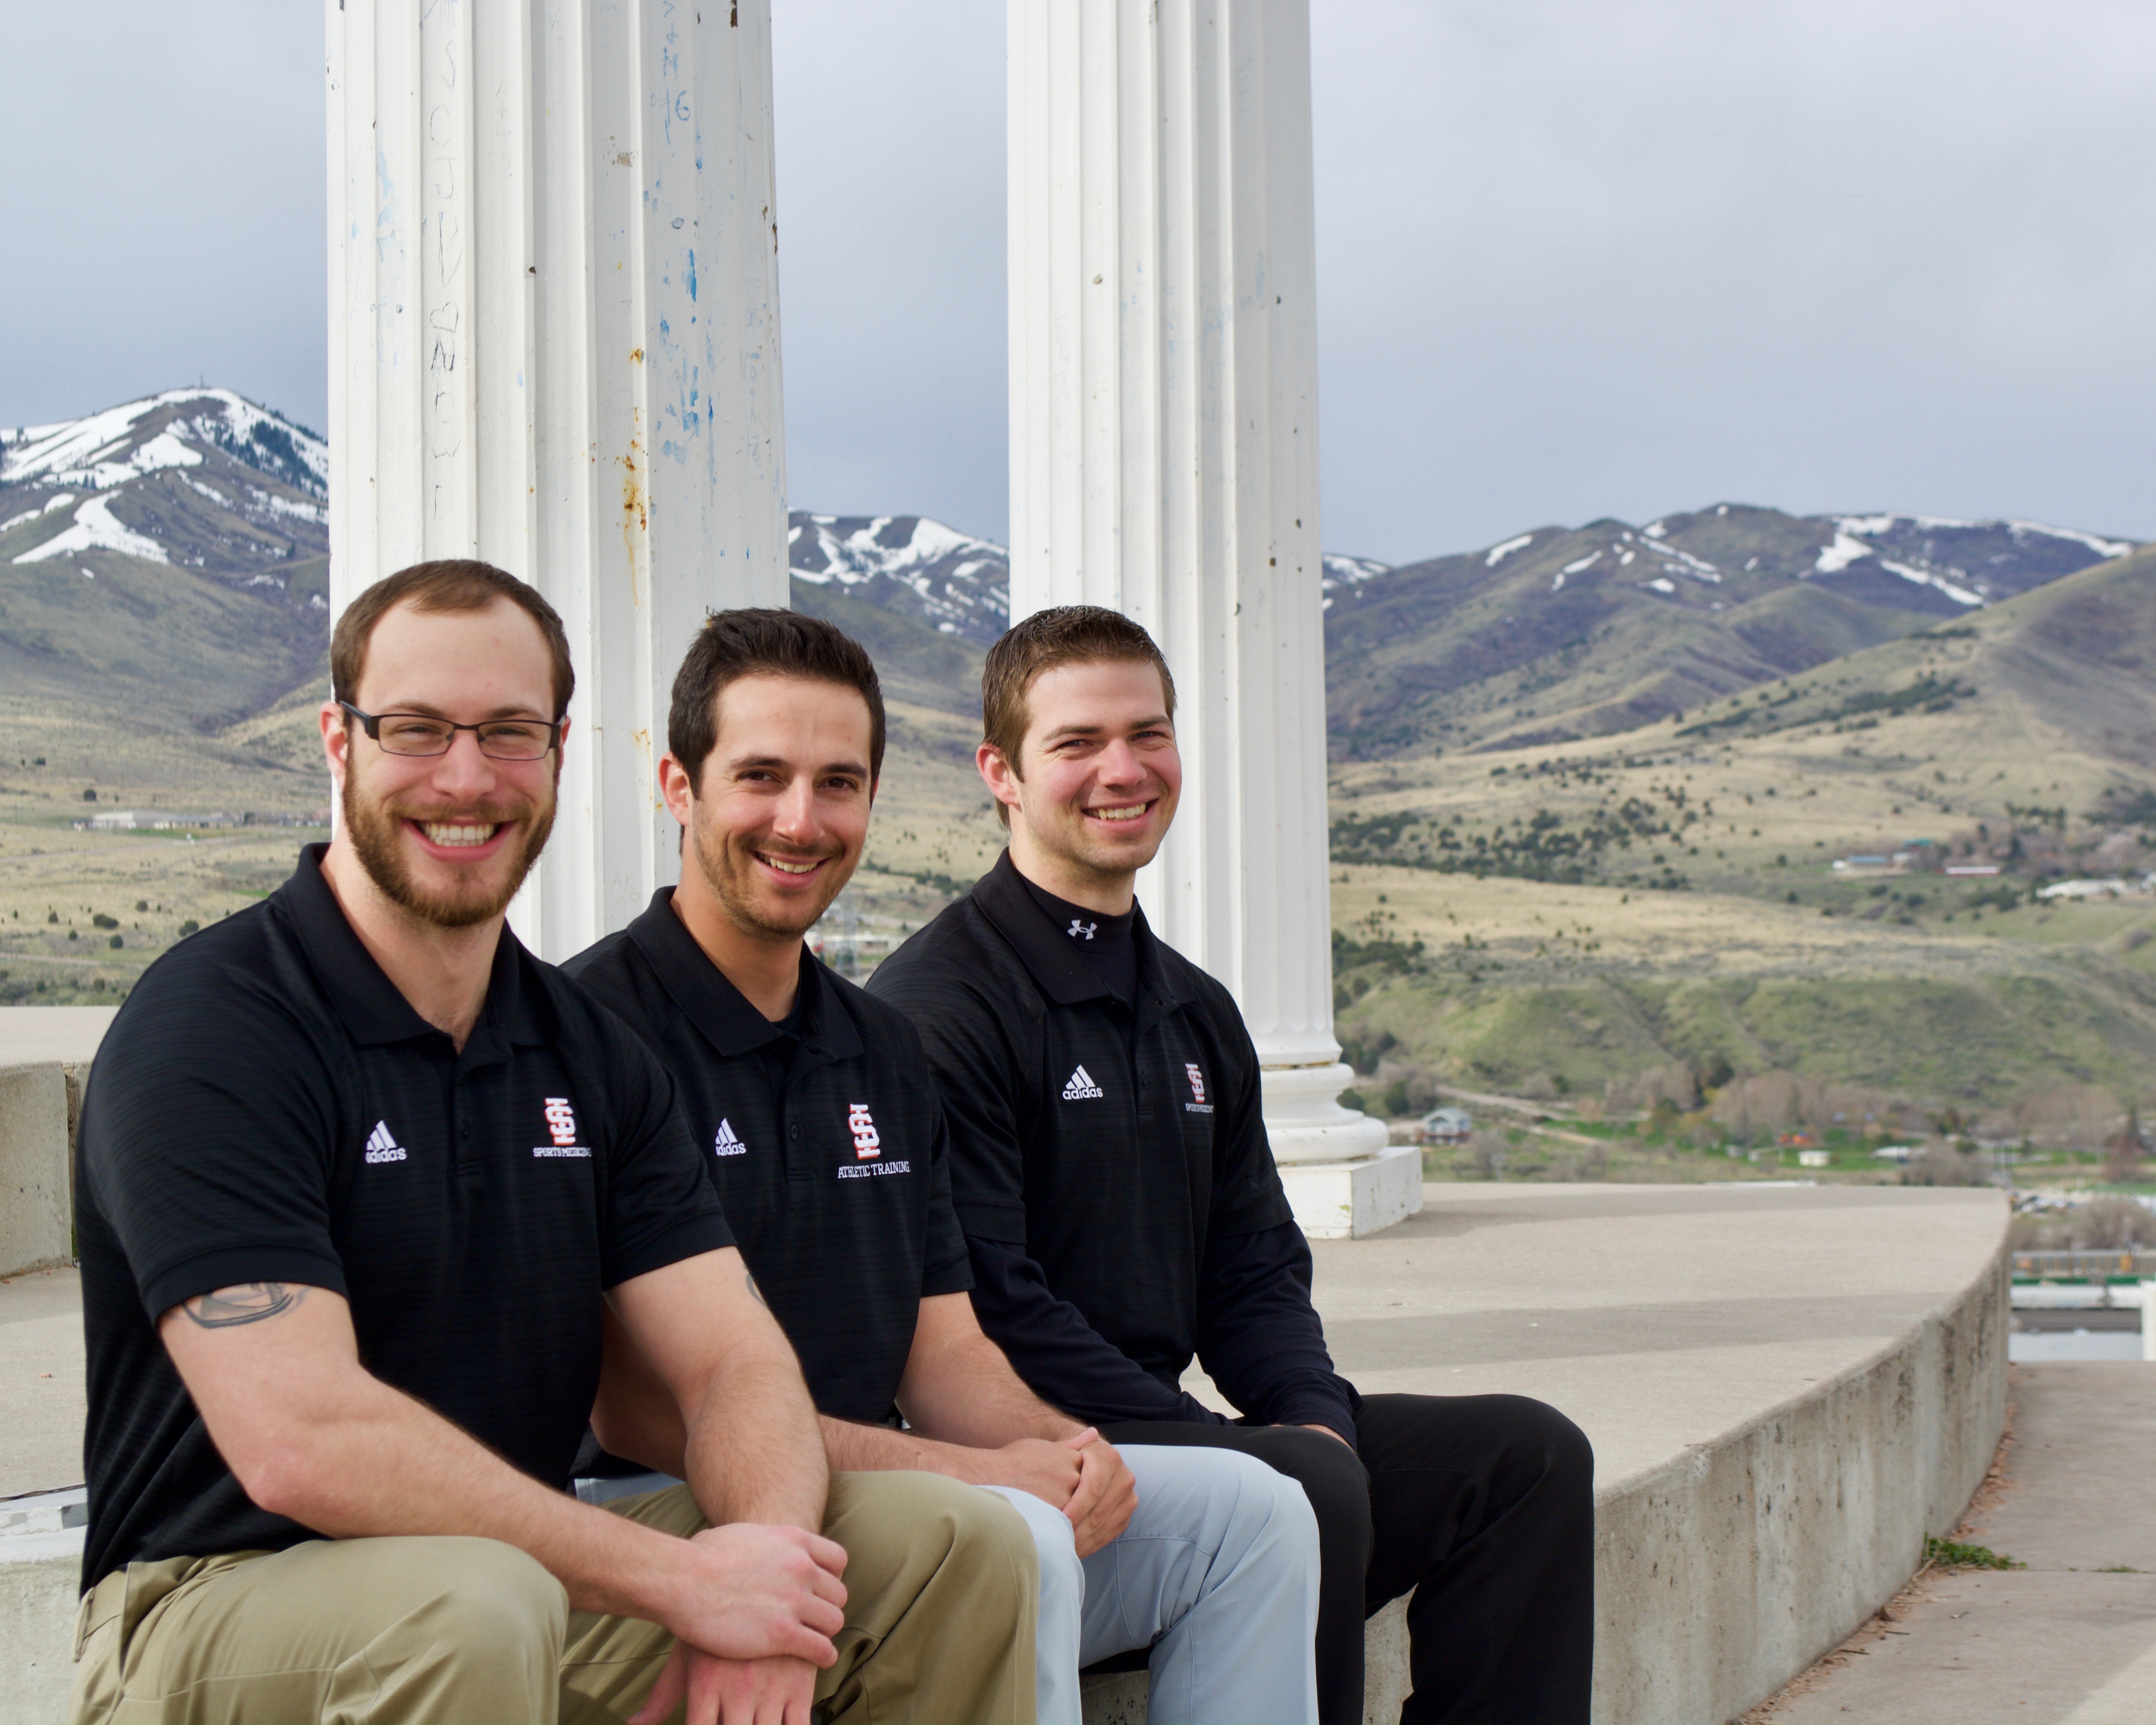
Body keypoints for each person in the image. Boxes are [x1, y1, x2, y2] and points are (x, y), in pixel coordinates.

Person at [70, 561, 1038, 1725]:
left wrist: (768, 1580)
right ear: (340, 742)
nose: (467, 778)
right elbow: (301, 1439)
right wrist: (684, 1581)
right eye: (418, 730)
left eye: (511, 734)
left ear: (560, 753)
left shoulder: (588, 1048)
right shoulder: (217, 1025)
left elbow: (733, 1363)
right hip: (211, 1599)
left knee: (946, 1539)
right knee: (472, 1605)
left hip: (520, 1577)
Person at [564, 609, 1322, 1725]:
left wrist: (1063, 1450)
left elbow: (944, 1351)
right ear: (678, 787)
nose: (800, 820)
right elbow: (638, 1415)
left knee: (1254, 1513)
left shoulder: (879, 1045)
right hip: (656, 1512)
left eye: (838, 783)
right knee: (1006, 1536)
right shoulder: (588, 1035)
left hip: (881, 1495)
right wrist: (984, 1479)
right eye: (761, 777)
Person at [868, 605, 1597, 1725]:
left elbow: (1254, 1271)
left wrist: (1310, 1414)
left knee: (1525, 1458)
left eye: (1147, 734)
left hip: (1173, 1433)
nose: (1123, 769)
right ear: (1001, 774)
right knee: (1299, 1491)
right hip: (1031, 1458)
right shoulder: (939, 1012)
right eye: (1076, 744)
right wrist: (1230, 1453)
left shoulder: (1194, 1012)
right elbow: (989, 1308)